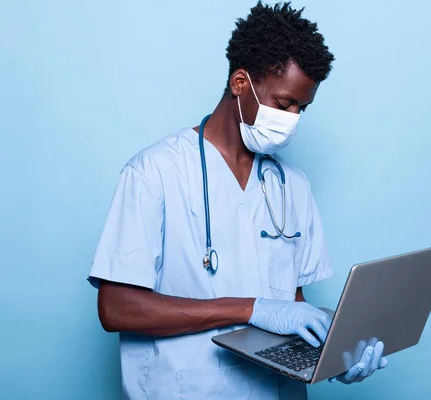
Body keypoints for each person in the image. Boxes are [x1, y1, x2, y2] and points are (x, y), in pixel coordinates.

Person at [88, 2, 388, 399]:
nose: (293, 118)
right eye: (284, 104)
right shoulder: (155, 173)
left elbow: (291, 307)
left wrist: (337, 352)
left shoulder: (292, 185)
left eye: (303, 108)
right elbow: (116, 308)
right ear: (240, 83)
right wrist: (251, 308)